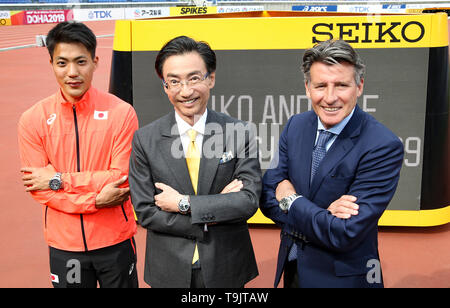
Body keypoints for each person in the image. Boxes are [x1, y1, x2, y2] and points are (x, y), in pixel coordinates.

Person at [260, 39, 404, 288]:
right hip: (293, 268)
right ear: (307, 87)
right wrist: (324, 215)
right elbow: (267, 198)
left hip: (341, 279)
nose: (330, 97)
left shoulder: (383, 145)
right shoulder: (296, 126)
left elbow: (345, 232)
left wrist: (292, 201)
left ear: (359, 86)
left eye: (341, 85)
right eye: (320, 86)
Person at [128, 35, 262, 288]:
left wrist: (182, 203)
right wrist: (216, 210)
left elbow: (247, 201)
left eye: (194, 78)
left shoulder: (239, 132)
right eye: (174, 82)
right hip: (169, 270)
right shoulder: (145, 139)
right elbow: (146, 211)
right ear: (165, 87)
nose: (186, 91)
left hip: (226, 266)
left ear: (211, 79)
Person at [17, 21, 139, 288]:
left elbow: (120, 180)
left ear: (95, 61)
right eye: (62, 63)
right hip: (65, 245)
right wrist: (96, 200)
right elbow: (39, 189)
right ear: (51, 63)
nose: (72, 72)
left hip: (115, 240)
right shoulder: (32, 119)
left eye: (81, 61)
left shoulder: (121, 113)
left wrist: (58, 179)